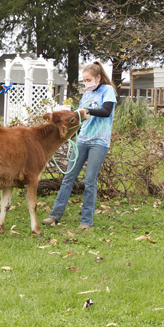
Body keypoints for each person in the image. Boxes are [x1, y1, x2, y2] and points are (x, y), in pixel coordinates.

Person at [42, 61, 117, 230]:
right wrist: (68, 136)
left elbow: (106, 111)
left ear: (98, 77)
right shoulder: (86, 95)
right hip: (83, 140)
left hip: (99, 142)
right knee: (68, 177)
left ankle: (86, 221)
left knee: (90, 180)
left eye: (89, 79)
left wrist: (88, 111)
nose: (86, 83)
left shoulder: (108, 91)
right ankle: (55, 215)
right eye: (84, 80)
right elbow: (78, 120)